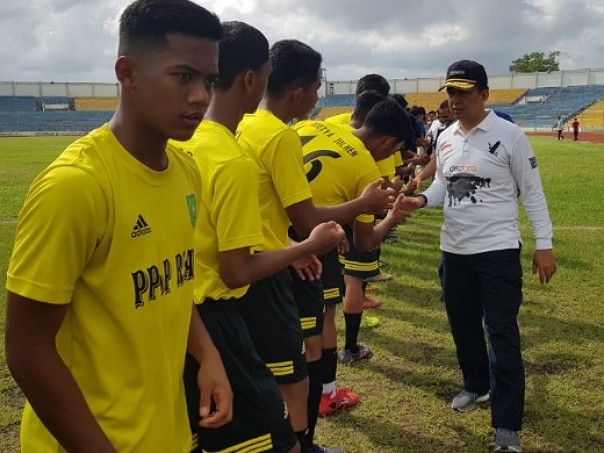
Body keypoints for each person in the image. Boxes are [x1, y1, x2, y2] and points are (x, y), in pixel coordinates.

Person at [4, 1, 233, 451]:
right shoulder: (76, 186)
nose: (200, 96)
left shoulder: (186, 171)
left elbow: (171, 282)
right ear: (127, 73)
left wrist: (208, 355)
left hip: (165, 434)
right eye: (183, 76)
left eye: (209, 81)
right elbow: (27, 350)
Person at [176, 22, 346, 453]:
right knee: (275, 437)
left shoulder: (184, 143)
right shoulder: (233, 161)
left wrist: (288, 249)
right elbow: (235, 271)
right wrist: (307, 246)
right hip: (217, 316)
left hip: (179, 311)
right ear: (251, 80)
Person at [237, 39, 393, 453]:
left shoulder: (243, 124)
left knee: (262, 365)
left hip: (262, 254)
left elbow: (261, 205)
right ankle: (304, 446)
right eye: (317, 87)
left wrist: (290, 242)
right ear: (299, 91)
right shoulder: (279, 135)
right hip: (271, 269)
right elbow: (307, 219)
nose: (317, 97)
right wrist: (365, 205)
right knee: (295, 370)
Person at [405, 60, 557, 452]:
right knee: (463, 325)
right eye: (451, 93)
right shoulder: (446, 137)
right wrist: (419, 201)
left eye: (464, 92)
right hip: (454, 251)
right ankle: (477, 385)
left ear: (484, 95)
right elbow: (442, 186)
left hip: (498, 251)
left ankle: (507, 425)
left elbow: (533, 192)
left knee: (502, 332)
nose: (455, 100)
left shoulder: (510, 136)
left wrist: (544, 244)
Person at [294, 98, 413, 370]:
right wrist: (391, 218)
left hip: (270, 233)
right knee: (322, 319)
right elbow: (364, 240)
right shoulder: (366, 168)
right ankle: (326, 389)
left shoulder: (313, 126)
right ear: (389, 143)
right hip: (310, 245)